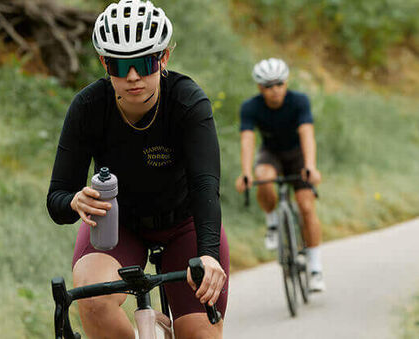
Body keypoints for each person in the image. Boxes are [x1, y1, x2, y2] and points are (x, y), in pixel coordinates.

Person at [46, 1, 229, 338]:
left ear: (163, 59)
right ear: (104, 63)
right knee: (93, 298)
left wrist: (208, 255)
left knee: (199, 334)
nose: (132, 77)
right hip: (117, 225)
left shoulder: (188, 101)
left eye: (145, 63)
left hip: (183, 223)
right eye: (119, 65)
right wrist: (74, 201)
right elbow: (57, 200)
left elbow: (205, 185)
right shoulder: (88, 107)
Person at [235, 58, 325, 292]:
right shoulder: (251, 107)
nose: (275, 90)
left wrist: (311, 166)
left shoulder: (298, 101)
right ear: (259, 88)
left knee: (306, 207)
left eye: (279, 84)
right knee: (263, 177)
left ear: (286, 83)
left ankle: (315, 268)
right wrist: (245, 173)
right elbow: (247, 140)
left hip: (297, 156)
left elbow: (307, 134)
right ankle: (273, 223)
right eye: (268, 86)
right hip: (271, 154)